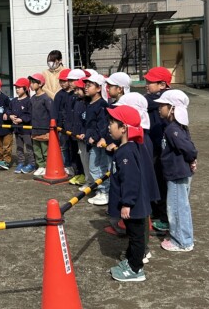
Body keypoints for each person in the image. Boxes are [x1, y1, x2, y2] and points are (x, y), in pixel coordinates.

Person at [106, 105, 159, 282]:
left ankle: (136, 269)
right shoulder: (130, 147)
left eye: (112, 122)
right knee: (133, 235)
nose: (109, 126)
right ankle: (131, 261)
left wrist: (127, 202)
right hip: (135, 203)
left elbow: (130, 179)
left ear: (124, 128)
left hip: (134, 205)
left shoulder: (126, 151)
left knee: (136, 237)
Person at [154, 89, 198, 252]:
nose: (159, 108)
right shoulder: (175, 127)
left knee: (177, 208)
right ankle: (183, 236)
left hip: (177, 174)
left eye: (163, 106)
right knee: (180, 206)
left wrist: (192, 158)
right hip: (178, 173)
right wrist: (192, 159)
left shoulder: (173, 129)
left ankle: (182, 241)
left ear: (172, 108)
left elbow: (189, 148)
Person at [144, 66, 172, 233]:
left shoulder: (163, 99)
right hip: (154, 146)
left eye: (150, 82)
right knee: (154, 180)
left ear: (162, 84)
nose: (147, 84)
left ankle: (165, 218)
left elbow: (145, 102)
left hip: (162, 149)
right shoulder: (152, 98)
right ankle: (156, 211)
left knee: (161, 183)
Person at [83, 73, 111, 205]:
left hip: (98, 142)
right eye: (86, 85)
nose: (86, 88)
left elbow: (103, 125)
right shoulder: (90, 103)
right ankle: (100, 190)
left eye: (89, 85)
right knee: (95, 167)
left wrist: (94, 137)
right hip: (92, 141)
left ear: (99, 88)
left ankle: (104, 191)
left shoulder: (102, 105)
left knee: (98, 167)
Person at [28, 73, 54, 177]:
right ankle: (40, 166)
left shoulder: (46, 98)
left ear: (40, 84)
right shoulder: (33, 98)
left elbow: (51, 113)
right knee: (37, 150)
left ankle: (47, 166)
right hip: (34, 128)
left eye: (34, 83)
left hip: (44, 129)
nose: (31, 85)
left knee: (45, 150)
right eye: (31, 82)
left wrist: (50, 128)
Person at [52, 68, 75, 176]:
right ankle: (66, 165)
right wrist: (56, 124)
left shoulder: (76, 94)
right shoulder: (59, 95)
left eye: (64, 81)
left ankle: (75, 167)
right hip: (62, 127)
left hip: (74, 127)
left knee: (74, 147)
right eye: (60, 81)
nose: (62, 83)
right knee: (64, 146)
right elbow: (55, 110)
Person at [9, 77, 35, 173]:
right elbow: (9, 110)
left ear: (25, 89)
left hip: (26, 130)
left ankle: (32, 163)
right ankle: (21, 162)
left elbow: (30, 114)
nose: (17, 89)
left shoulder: (29, 101)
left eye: (19, 88)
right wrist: (10, 116)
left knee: (29, 147)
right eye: (16, 88)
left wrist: (21, 119)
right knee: (19, 147)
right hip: (17, 129)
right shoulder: (14, 101)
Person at [68, 78, 88, 185]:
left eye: (78, 90)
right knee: (79, 156)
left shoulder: (87, 103)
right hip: (76, 134)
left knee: (86, 159)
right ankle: (81, 174)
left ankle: (87, 178)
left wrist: (83, 132)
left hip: (84, 136)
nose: (76, 92)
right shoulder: (77, 101)